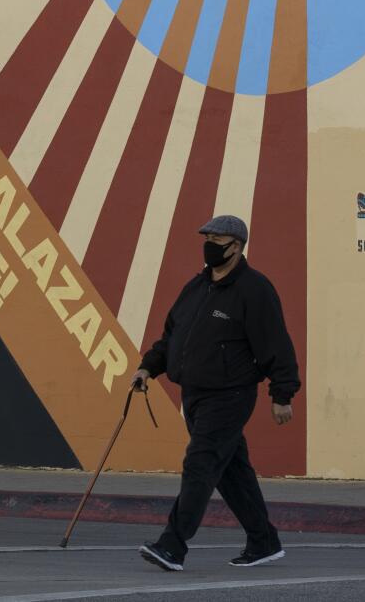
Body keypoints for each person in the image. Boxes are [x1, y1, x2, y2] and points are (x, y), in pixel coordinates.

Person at [133, 214, 300, 573]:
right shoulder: (197, 287)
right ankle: (264, 541)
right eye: (206, 237)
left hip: (230, 395)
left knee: (201, 464)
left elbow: (276, 345)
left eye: (217, 239)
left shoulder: (255, 290)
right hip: (194, 395)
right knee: (231, 471)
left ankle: (172, 545)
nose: (208, 245)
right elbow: (171, 336)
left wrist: (282, 395)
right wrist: (148, 366)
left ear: (236, 246)